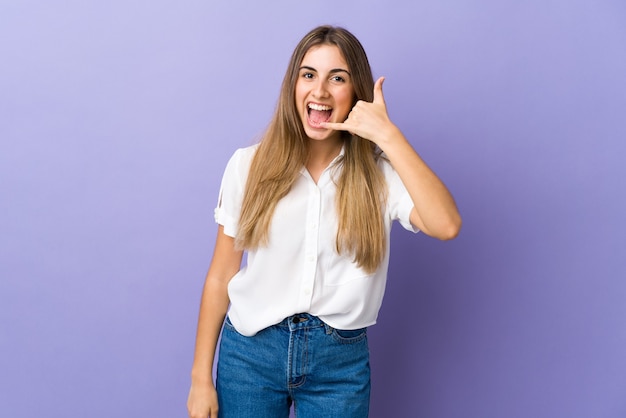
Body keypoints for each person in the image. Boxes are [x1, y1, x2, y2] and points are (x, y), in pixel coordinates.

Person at [187, 25, 461, 418]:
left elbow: (446, 224)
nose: (320, 91)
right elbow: (220, 276)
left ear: (356, 93)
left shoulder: (381, 175)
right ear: (293, 86)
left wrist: (389, 136)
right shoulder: (247, 166)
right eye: (308, 74)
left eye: (338, 78)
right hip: (249, 356)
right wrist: (200, 378)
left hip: (339, 365)